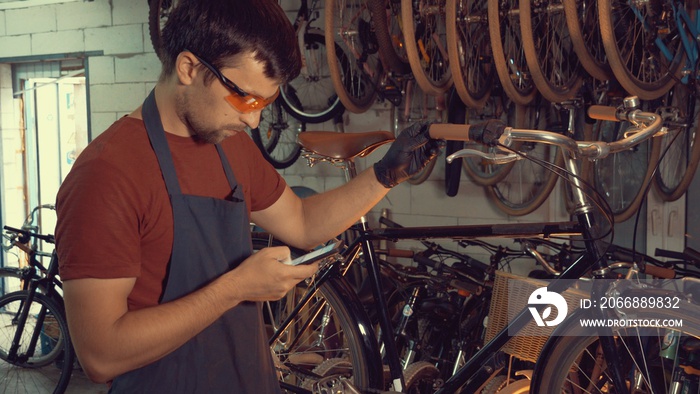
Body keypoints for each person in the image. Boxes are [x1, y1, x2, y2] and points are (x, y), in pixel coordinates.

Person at [54, 0, 440, 392]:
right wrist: (236, 288)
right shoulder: (106, 175)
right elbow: (101, 355)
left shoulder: (229, 144)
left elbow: (302, 223)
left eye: (266, 103)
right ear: (189, 67)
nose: (254, 120)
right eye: (246, 99)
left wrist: (386, 174)